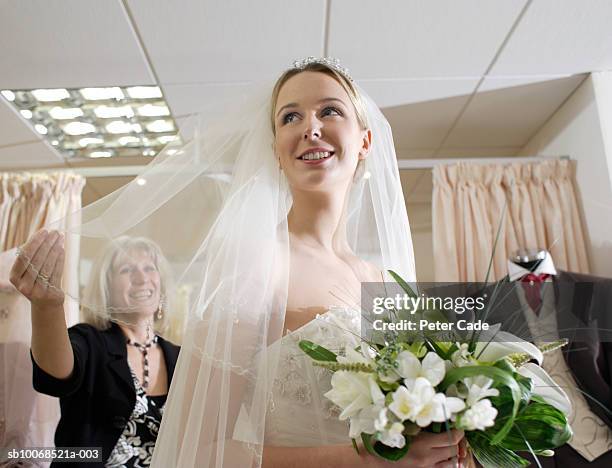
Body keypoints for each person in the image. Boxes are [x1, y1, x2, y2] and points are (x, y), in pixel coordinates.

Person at [148, 58, 469, 467]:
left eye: (330, 110)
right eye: (290, 117)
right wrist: (367, 459)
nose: (310, 127)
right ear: (276, 152)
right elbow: (198, 450)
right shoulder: (258, 266)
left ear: (365, 141)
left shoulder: (384, 281)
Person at [9, 234, 180, 467]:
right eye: (126, 270)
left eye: (149, 268)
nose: (141, 278)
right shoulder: (89, 340)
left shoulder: (181, 358)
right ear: (106, 285)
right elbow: (55, 375)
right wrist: (47, 306)